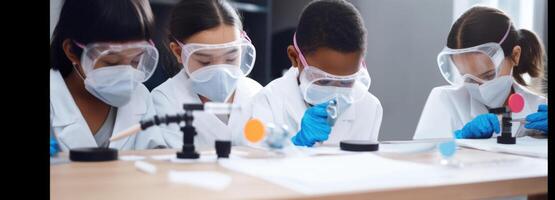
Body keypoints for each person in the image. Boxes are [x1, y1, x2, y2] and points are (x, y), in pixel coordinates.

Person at [249, 0, 383, 147]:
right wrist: (297, 144)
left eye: (347, 82)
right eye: (324, 81)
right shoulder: (267, 102)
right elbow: (258, 165)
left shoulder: (370, 107)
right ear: (294, 57)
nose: (336, 95)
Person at [414, 6, 547, 140]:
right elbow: (422, 156)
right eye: (468, 78)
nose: (480, 88)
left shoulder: (539, 108)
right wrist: (459, 138)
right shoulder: (445, 100)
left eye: (488, 75)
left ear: (515, 55)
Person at [50, 0, 166, 150]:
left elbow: (154, 159)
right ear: (71, 51)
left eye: (135, 61)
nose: (125, 74)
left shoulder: (140, 97)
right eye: (111, 63)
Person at [151, 0, 263, 147]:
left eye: (231, 58)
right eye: (205, 61)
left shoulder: (255, 93)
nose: (220, 71)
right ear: (178, 52)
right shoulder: (165, 100)